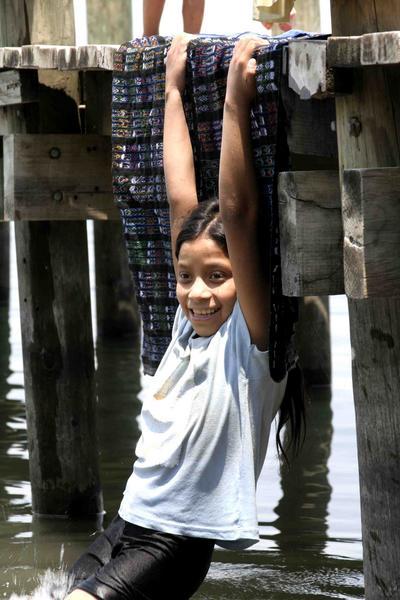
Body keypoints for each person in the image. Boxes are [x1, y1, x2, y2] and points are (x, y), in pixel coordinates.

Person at [66, 34, 304, 600]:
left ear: (241, 281)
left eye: (218, 277)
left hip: (173, 544)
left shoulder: (249, 343)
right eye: (185, 276)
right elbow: (180, 200)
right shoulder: (183, 327)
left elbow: (239, 211)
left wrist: (234, 102)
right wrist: (171, 92)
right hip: (127, 523)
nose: (198, 293)